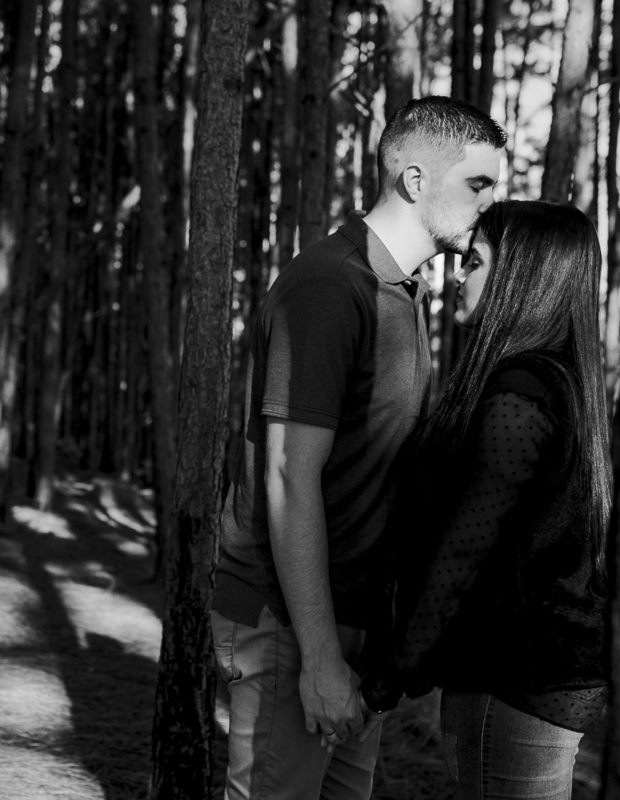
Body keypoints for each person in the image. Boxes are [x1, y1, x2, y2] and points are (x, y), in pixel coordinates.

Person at [212, 96, 506, 800]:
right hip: (290, 619)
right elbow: (289, 475)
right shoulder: (327, 287)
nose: (491, 204)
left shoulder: (399, 290)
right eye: (478, 184)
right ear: (412, 180)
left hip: (349, 623)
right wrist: (317, 658)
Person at [358, 200, 613, 800]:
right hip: (549, 674)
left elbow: (463, 553)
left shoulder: (519, 394)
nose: (457, 275)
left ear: (520, 277)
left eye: (473, 262)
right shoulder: (563, 383)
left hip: (514, 676)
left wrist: (392, 677)